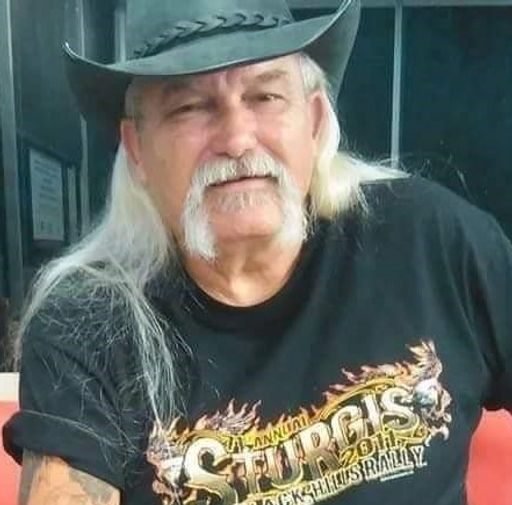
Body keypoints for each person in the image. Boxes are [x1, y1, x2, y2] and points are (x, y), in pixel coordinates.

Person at [2, 0, 512, 504]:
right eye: (190, 107)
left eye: (266, 96)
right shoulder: (87, 320)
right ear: (137, 148)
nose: (237, 139)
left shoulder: (432, 242)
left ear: (315, 121)